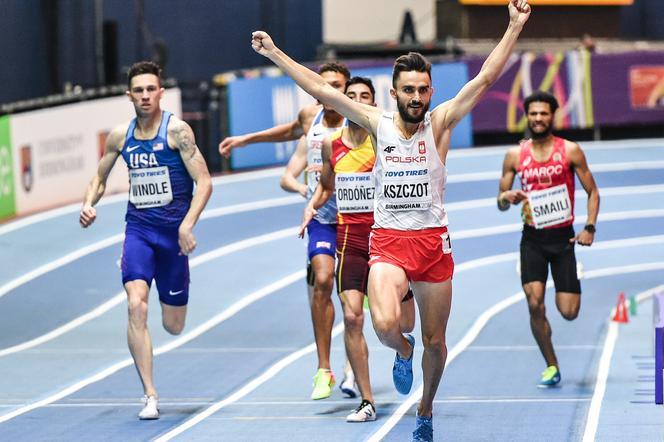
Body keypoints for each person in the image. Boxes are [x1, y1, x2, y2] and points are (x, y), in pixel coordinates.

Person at [249, 1, 531, 439]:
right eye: (408, 90)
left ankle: (425, 410)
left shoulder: (440, 123)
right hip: (389, 242)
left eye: (422, 90)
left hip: (433, 244)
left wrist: (514, 25)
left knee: (436, 343)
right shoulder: (375, 122)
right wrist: (275, 54)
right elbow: (323, 93)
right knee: (383, 325)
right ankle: (402, 352)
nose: (416, 98)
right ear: (394, 92)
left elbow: (487, 77)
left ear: (431, 92)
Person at [79, 61, 212, 420]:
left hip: (173, 238)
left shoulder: (178, 132)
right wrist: (89, 202)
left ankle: (173, 304)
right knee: (136, 305)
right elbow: (99, 177)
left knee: (173, 325)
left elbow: (205, 182)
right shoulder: (120, 137)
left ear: (160, 92)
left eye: (150, 89)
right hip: (138, 230)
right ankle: (150, 394)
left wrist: (187, 225)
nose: (145, 96)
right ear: (129, 96)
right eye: (138, 91)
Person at [219, 63, 358, 400]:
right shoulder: (309, 117)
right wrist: (246, 140)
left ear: (347, 87)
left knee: (353, 302)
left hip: (357, 219)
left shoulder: (361, 119)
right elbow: (286, 131)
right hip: (322, 217)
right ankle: (324, 369)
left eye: (337, 86)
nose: (330, 92)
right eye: (323, 85)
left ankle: (354, 367)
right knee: (323, 281)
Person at [299, 77, 416, 422]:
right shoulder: (331, 146)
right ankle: (367, 400)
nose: (358, 101)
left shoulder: (384, 139)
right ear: (343, 100)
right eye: (352, 96)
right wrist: (312, 207)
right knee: (352, 316)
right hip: (349, 241)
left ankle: (404, 349)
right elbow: (326, 186)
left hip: (386, 240)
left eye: (365, 96)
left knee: (402, 322)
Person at [497, 90, 599, 387]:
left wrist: (589, 228)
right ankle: (551, 365)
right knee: (534, 303)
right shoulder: (515, 156)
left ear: (553, 116)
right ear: (526, 116)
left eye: (544, 113)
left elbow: (593, 191)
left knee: (568, 312)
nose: (538, 118)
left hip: (564, 240)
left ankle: (566, 289)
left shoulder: (570, 151)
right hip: (532, 241)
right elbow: (500, 202)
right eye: (533, 113)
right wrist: (507, 197)